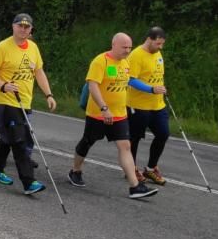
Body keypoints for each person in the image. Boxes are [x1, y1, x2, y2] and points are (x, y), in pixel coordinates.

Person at [69, 32, 164, 199]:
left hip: (120, 114)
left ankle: (135, 186)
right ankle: (75, 170)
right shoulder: (101, 61)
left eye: (129, 47)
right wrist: (104, 108)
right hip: (98, 113)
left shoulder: (126, 63)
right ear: (113, 45)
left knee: (125, 146)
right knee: (88, 141)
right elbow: (93, 86)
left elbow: (126, 84)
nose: (127, 51)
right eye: (124, 47)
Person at [0, 13, 56, 195]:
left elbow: (39, 72)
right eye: (20, 26)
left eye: (27, 26)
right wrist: (3, 85)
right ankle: (28, 181)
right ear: (13, 27)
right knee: (19, 139)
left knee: (7, 138)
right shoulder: (3, 47)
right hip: (6, 101)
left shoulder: (33, 48)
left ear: (31, 30)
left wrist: (48, 94)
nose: (23, 29)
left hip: (24, 101)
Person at [127, 27, 170, 185]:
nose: (160, 47)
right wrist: (151, 89)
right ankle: (131, 169)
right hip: (138, 105)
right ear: (149, 39)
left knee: (163, 133)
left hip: (157, 104)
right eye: (158, 43)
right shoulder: (136, 55)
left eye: (162, 44)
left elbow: (158, 75)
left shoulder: (157, 54)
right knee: (134, 138)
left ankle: (151, 168)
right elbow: (130, 79)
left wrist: (161, 88)